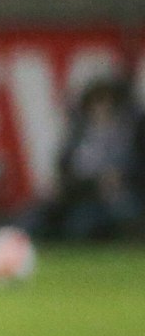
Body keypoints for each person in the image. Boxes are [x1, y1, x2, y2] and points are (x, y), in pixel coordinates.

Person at [24, 77, 141, 241]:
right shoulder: (78, 132)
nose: (101, 107)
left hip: (112, 195)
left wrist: (123, 177)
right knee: (38, 215)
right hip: (79, 190)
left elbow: (137, 165)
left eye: (107, 101)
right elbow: (63, 165)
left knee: (84, 224)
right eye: (97, 102)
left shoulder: (131, 133)